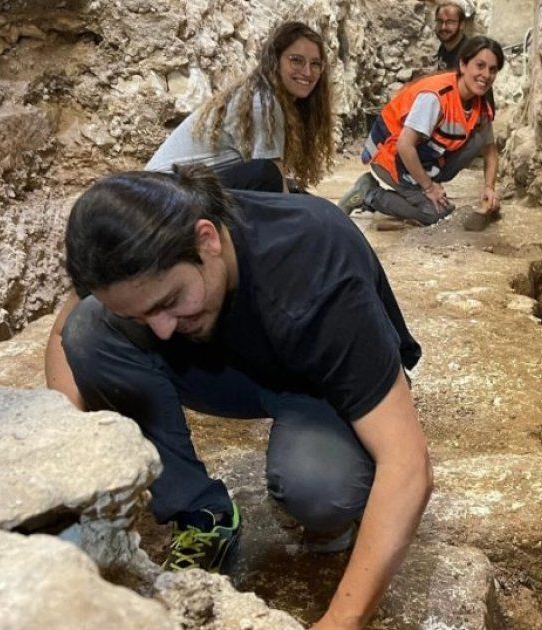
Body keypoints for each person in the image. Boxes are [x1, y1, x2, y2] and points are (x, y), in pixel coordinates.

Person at [43, 164, 431, 629]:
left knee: (319, 491)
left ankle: (333, 479)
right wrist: (71, 480)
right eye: (143, 314)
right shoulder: (134, 238)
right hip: (229, 368)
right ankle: (202, 512)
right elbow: (67, 334)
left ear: (207, 240)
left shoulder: (316, 271)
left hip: (318, 381)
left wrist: (340, 620)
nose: (161, 329)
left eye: (169, 301)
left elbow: (408, 465)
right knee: (91, 329)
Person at [338, 36, 504, 232]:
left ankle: (421, 187)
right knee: (435, 215)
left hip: (424, 158)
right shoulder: (436, 96)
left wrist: (489, 188)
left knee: (479, 139)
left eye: (492, 69)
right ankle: (369, 193)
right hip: (391, 155)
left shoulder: (480, 103)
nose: (486, 75)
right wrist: (430, 188)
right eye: (480, 66)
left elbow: (490, 151)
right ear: (463, 64)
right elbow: (404, 145)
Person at [145, 21, 335, 192]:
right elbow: (275, 184)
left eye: (316, 64)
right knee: (266, 174)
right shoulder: (263, 102)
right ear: (275, 61)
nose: (307, 72)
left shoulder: (268, 96)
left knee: (294, 192)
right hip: (165, 193)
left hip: (180, 186)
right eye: (296, 60)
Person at [433, 2, 468, 71]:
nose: (443, 27)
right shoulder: (444, 46)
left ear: (461, 25)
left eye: (449, 22)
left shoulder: (468, 54)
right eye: (440, 21)